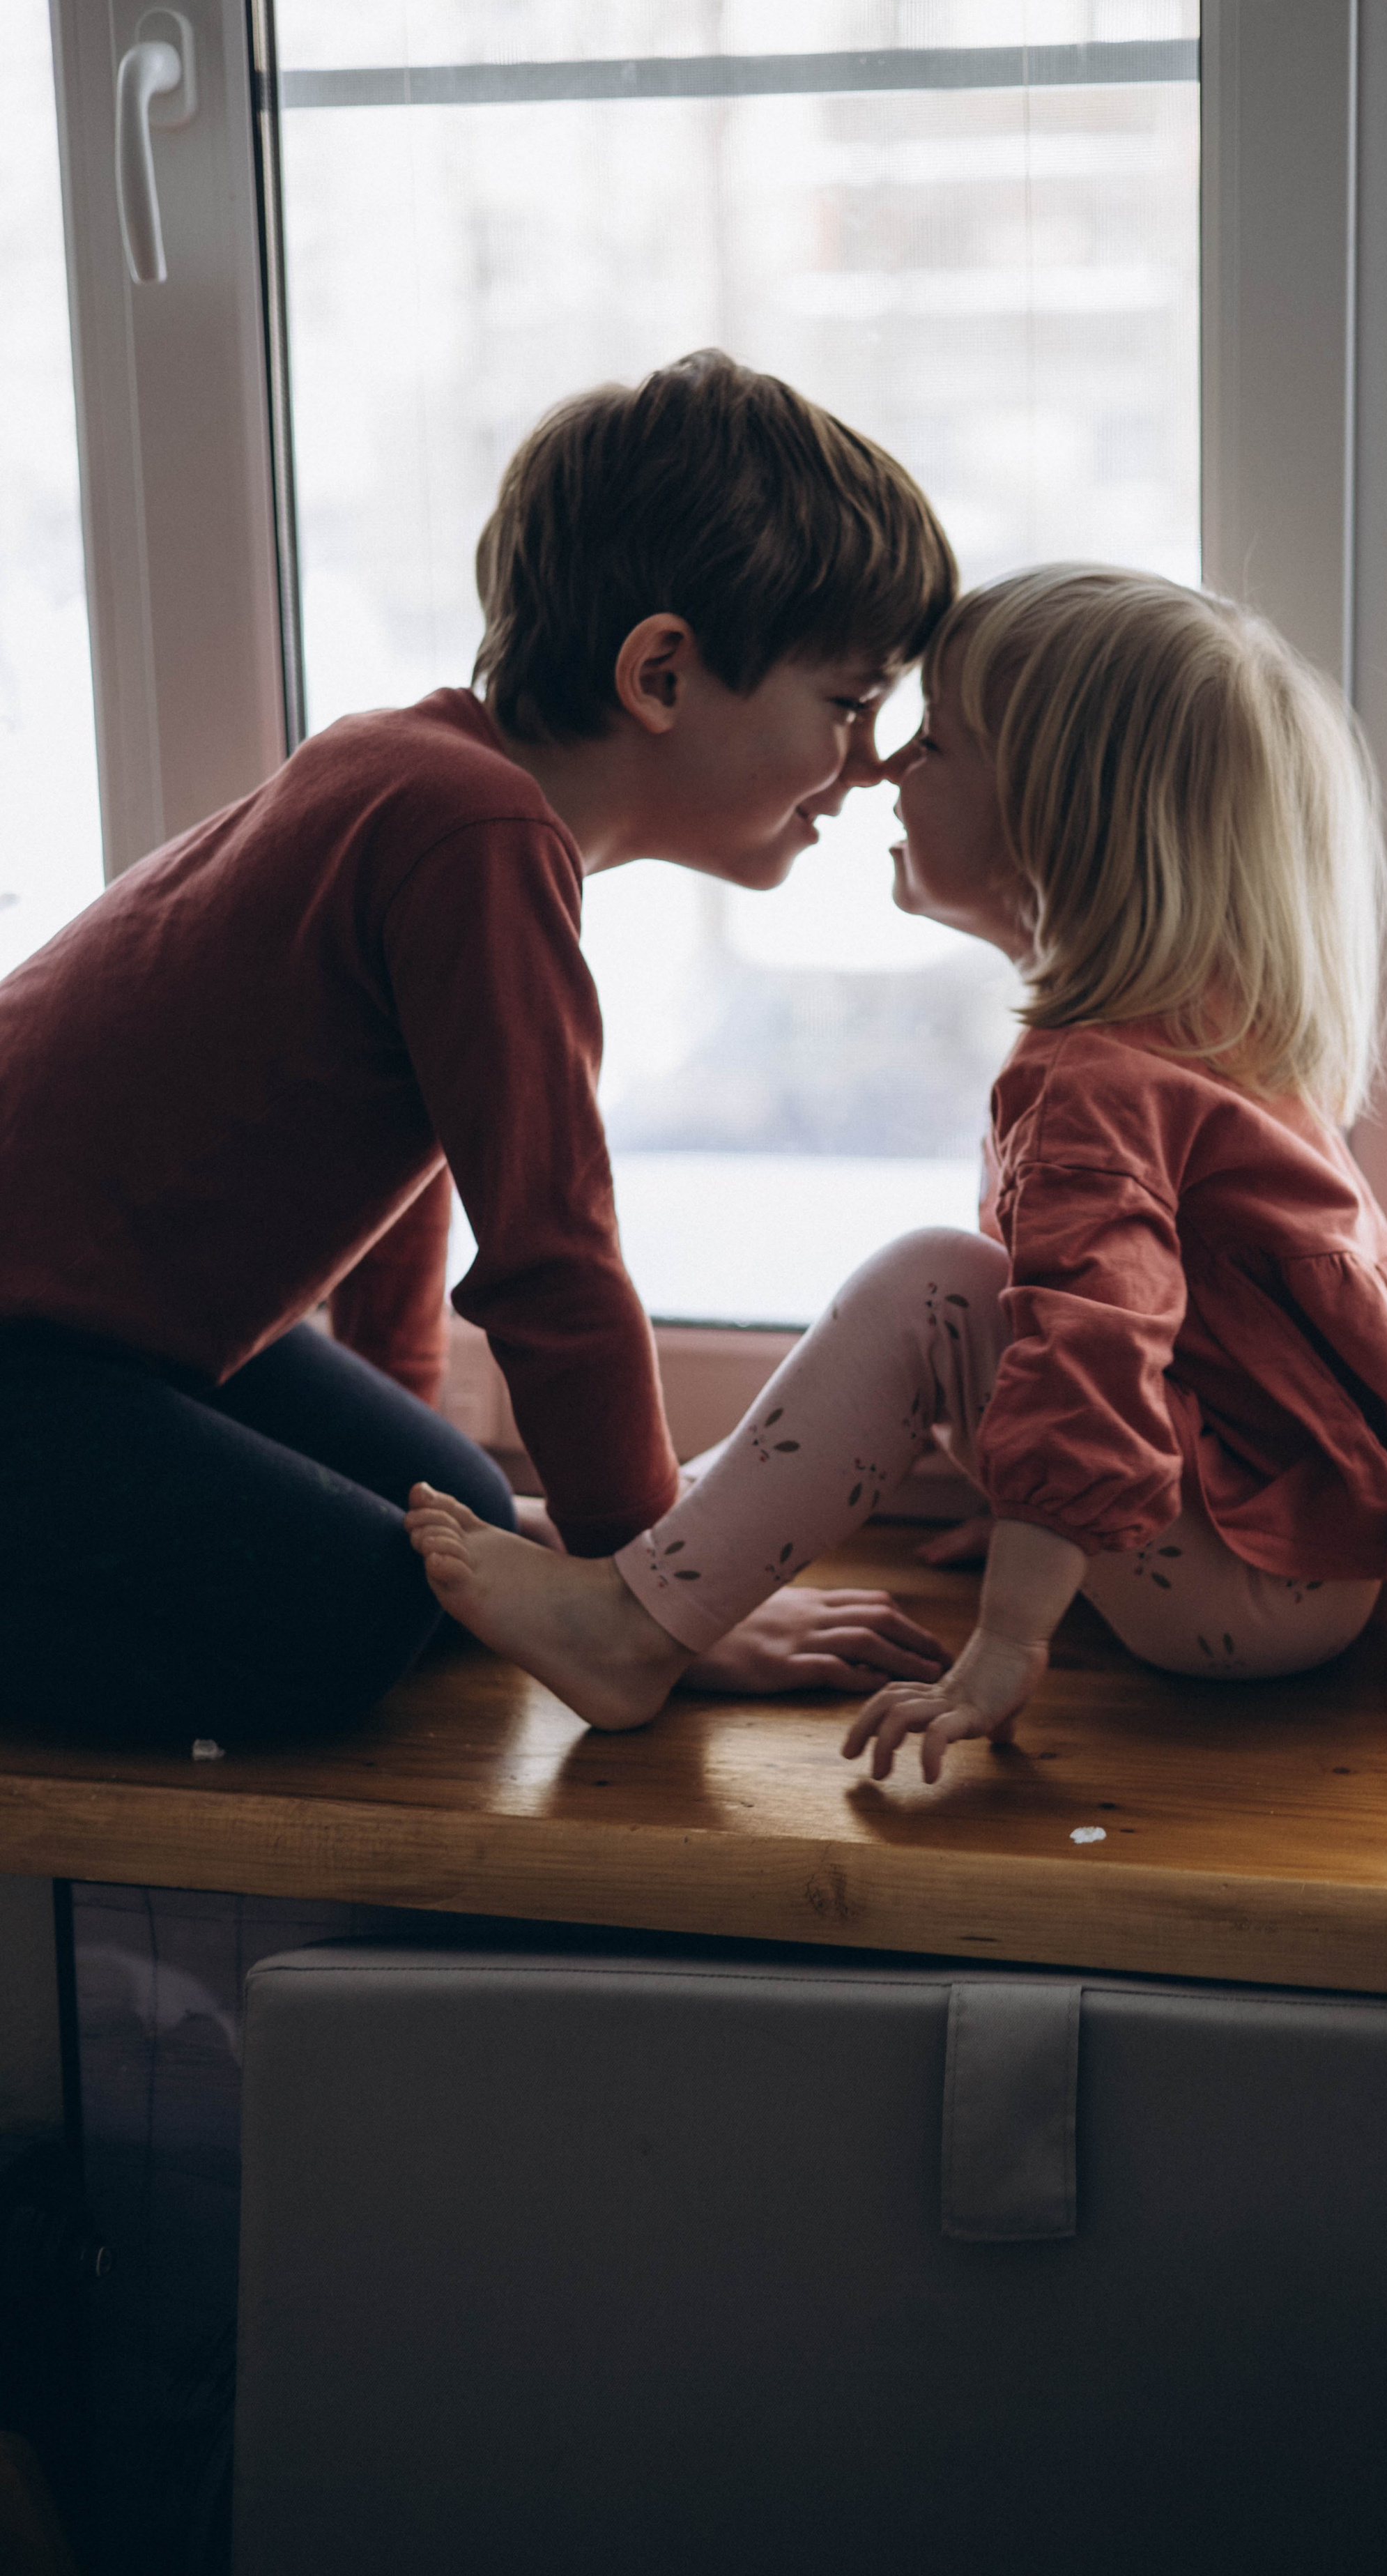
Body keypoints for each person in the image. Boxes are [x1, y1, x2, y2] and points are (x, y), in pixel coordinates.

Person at [406, 565, 1387, 1780]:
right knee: (982, 1290)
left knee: (934, 1282)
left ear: (1058, 823)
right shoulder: (1201, 1027)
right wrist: (1024, 1504)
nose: (887, 771)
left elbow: (1099, 1349)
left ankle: (632, 1633)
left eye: (935, 742)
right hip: (1296, 1563)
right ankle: (650, 1548)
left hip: (1242, 1606)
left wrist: (1007, 1639)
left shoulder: (1092, 1081)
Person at [0, 351, 958, 1743]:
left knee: (440, 1497)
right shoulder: (476, 831)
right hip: (32, 1354)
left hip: (100, 1336)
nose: (868, 763)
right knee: (357, 1625)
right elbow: (551, 1253)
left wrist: (380, 1448)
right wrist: (663, 1598)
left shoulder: (435, 784)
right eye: (848, 703)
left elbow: (403, 1141)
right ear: (663, 672)